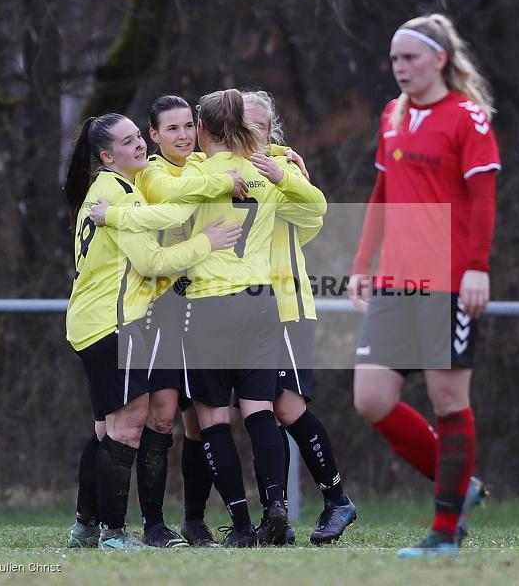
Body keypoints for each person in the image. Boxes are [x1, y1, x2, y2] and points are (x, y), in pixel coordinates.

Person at [91, 89, 326, 547]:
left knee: (210, 420)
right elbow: (316, 208)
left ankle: (239, 525)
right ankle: (275, 506)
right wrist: (284, 168)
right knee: (260, 412)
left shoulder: (198, 173)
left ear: (203, 130)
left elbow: (170, 205)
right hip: (262, 302)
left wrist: (113, 214)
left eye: (190, 126)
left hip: (206, 303)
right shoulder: (265, 170)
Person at [349, 14, 499, 557]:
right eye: (393, 59)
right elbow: (382, 192)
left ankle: (444, 531)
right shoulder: (392, 114)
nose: (399, 68)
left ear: (439, 59)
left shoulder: (468, 118)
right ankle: (462, 488)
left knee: (447, 400)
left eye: (409, 57)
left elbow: (482, 201)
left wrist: (477, 267)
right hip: (396, 280)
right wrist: (363, 260)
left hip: (449, 278)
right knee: (371, 398)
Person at [63, 112, 241, 550]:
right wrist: (207, 243)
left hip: (109, 319)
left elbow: (168, 214)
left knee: (115, 427)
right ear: (107, 156)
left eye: (139, 137)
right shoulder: (116, 193)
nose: (140, 144)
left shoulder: (120, 190)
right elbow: (151, 263)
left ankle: (90, 528)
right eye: (128, 141)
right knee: (124, 427)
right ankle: (112, 533)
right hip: (112, 320)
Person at [242, 90, 357, 545]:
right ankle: (276, 515)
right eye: (246, 126)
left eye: (263, 127)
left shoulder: (282, 168)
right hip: (239, 309)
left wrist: (283, 176)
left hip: (286, 306)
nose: (256, 135)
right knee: (258, 412)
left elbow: (314, 213)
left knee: (287, 407)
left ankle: (336, 499)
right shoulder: (216, 170)